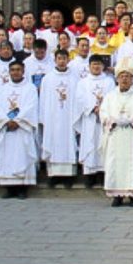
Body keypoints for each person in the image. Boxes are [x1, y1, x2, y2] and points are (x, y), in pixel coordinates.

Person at [99, 59, 133, 206]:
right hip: (115, 135)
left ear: (132, 78)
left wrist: (132, 120)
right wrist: (112, 120)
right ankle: (117, 195)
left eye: (127, 76)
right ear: (117, 78)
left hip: (132, 135)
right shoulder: (110, 96)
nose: (124, 79)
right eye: (122, 76)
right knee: (115, 163)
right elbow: (103, 113)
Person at [0, 61, 39, 199]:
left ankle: (22, 189)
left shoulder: (30, 88)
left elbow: (31, 107)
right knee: (7, 158)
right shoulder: (2, 89)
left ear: (23, 71)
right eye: (12, 70)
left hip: (22, 128)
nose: (15, 72)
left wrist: (18, 120)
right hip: (6, 128)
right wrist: (7, 120)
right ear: (9, 72)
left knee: (22, 156)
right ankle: (9, 188)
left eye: (18, 69)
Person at [39, 49, 79, 188]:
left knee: (68, 143)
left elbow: (78, 100)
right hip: (52, 117)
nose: (62, 61)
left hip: (69, 117)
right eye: (59, 58)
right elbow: (43, 100)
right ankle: (53, 176)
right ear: (55, 60)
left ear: (68, 60)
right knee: (53, 142)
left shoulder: (75, 78)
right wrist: (43, 118)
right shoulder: (47, 79)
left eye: (64, 58)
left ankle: (69, 177)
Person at [73, 55, 114, 189]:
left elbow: (112, 97)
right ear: (89, 66)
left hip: (104, 118)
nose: (96, 67)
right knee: (90, 144)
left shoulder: (109, 81)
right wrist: (93, 107)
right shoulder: (82, 82)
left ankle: (103, 174)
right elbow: (79, 99)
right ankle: (89, 176)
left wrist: (102, 108)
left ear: (103, 66)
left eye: (98, 64)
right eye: (93, 64)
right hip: (89, 118)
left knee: (103, 144)